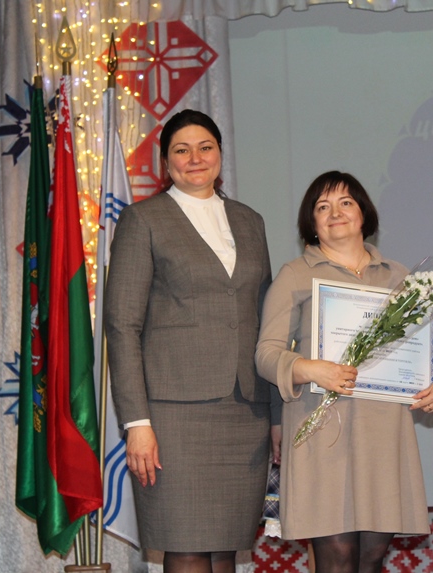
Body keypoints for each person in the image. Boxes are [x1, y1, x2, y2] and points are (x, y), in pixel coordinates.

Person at [255, 171, 433, 573]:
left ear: (363, 213)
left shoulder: (399, 277)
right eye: (323, 207)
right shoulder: (295, 275)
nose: (335, 213)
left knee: (370, 561)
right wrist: (309, 368)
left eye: (345, 203)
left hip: (382, 437)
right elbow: (266, 354)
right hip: (323, 437)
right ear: (311, 223)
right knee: (337, 561)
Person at [104, 109, 274, 573]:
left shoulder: (250, 221)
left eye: (205, 147)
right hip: (172, 417)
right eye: (182, 150)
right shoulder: (143, 220)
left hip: (246, 414)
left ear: (220, 154)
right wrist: (136, 422)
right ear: (166, 162)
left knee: (226, 551)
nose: (195, 158)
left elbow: (268, 323)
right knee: (185, 547)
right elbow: (122, 326)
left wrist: (278, 416)